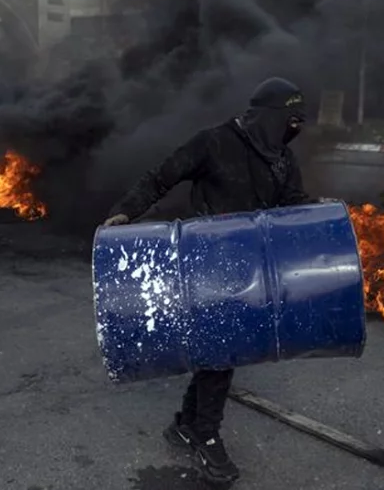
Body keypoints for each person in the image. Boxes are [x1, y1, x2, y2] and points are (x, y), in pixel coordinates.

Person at [102, 76, 314, 484]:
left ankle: (185, 423)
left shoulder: (283, 158)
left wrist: (321, 215)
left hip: (252, 267)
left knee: (221, 350)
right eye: (289, 119)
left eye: (298, 121)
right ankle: (206, 435)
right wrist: (126, 212)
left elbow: (292, 204)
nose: (294, 129)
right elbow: (160, 177)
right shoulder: (214, 142)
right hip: (206, 262)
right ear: (267, 116)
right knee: (223, 350)